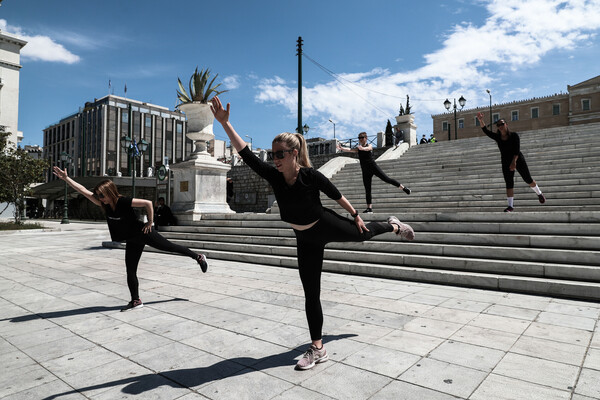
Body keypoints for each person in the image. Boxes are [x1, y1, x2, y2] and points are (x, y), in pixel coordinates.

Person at [210, 97, 414, 371]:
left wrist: (355, 215)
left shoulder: (311, 175)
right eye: (273, 155)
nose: (275, 160)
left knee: (363, 235)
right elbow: (245, 153)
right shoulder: (273, 176)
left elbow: (336, 195)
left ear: (294, 154)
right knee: (311, 294)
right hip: (304, 239)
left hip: (325, 224)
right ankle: (318, 348)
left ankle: (394, 226)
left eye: (280, 154)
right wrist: (225, 123)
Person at [52, 167, 208, 311]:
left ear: (110, 192)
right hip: (132, 239)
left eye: (102, 195)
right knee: (130, 270)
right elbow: (83, 190)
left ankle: (198, 257)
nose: (100, 198)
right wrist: (66, 179)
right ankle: (136, 300)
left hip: (143, 233)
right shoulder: (104, 204)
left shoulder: (123, 201)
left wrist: (150, 222)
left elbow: (147, 203)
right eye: (98, 196)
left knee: (170, 247)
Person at [476, 112, 545, 212]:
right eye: (498, 125)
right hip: (505, 162)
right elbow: (485, 131)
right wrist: (480, 120)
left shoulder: (514, 136)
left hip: (518, 159)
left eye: (502, 124)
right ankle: (510, 206)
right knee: (509, 183)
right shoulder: (498, 138)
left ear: (506, 124)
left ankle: (539, 193)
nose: (500, 126)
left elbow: (516, 150)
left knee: (528, 179)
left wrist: (514, 162)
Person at [337, 132, 411, 213]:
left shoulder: (369, 145)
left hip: (373, 167)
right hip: (365, 170)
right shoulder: (358, 148)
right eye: (359, 138)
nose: (360, 139)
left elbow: (369, 148)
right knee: (367, 189)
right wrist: (342, 148)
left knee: (387, 179)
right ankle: (369, 208)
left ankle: (404, 188)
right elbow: (350, 150)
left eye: (362, 137)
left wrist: (363, 148)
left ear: (366, 138)